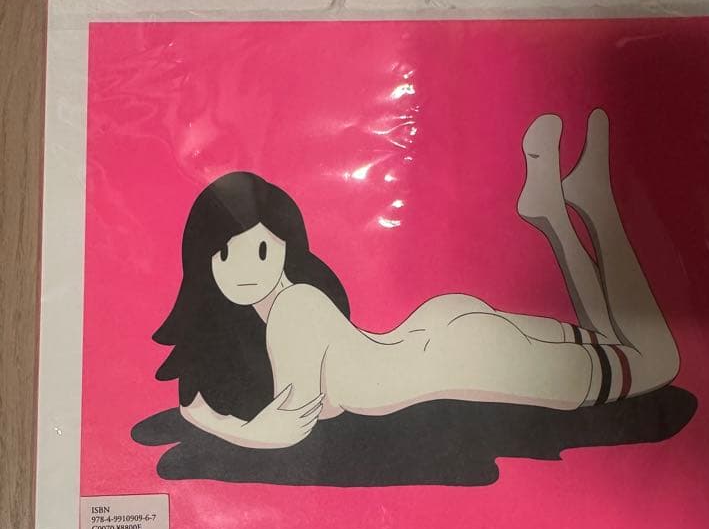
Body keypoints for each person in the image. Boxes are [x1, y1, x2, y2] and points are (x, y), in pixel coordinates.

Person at [155, 109, 680, 450]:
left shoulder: (293, 311)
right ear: (206, 263)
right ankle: (557, 211)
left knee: (657, 361)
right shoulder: (295, 311)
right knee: (616, 344)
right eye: (225, 254)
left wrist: (218, 425)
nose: (244, 269)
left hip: (465, 353)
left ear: (284, 247)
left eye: (260, 249)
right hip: (443, 334)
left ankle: (596, 206)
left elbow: (291, 424)